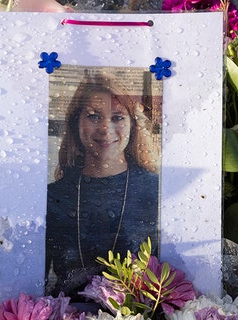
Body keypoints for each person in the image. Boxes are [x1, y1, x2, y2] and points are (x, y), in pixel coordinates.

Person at [45, 70, 160, 297]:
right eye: (94, 116)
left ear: (133, 125)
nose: (105, 129)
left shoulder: (156, 192)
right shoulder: (52, 196)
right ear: (76, 123)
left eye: (117, 117)